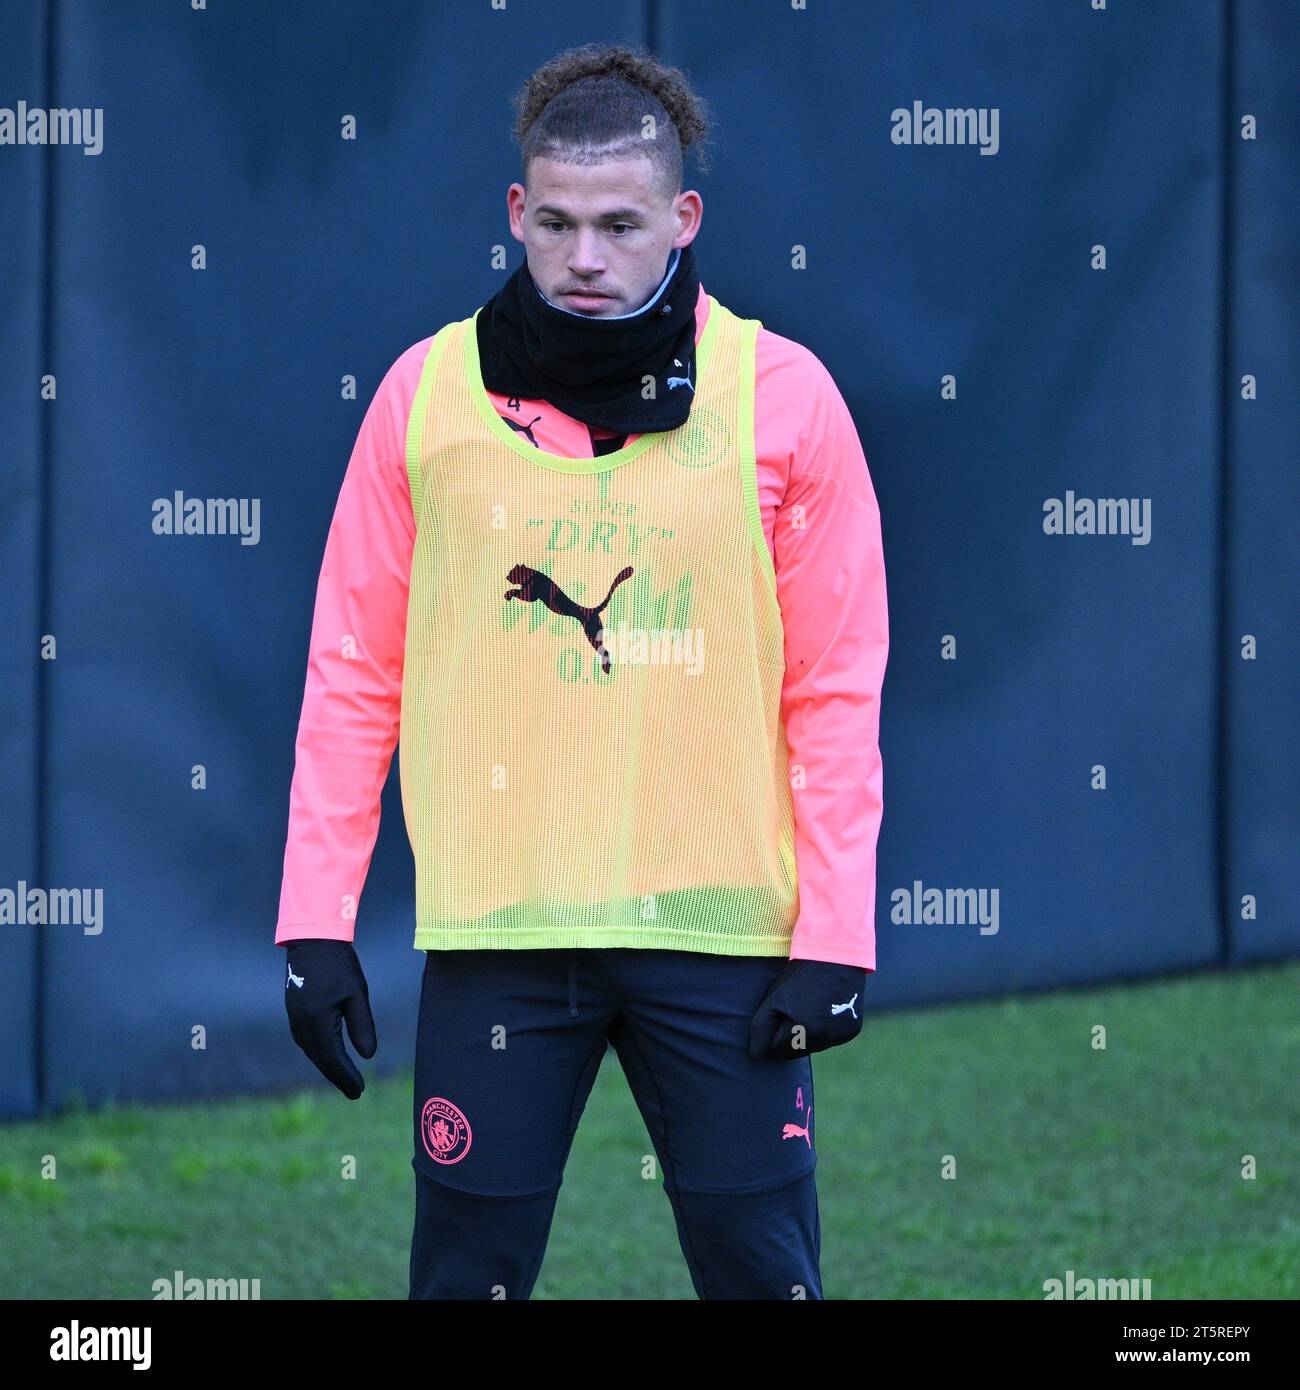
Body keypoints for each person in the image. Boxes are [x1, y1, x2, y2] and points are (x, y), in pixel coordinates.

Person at [276, 41, 888, 1301]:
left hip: (723, 934)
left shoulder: (786, 397)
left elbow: (836, 684)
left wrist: (836, 928)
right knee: (464, 1282)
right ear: (516, 212)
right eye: (554, 222)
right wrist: (312, 916)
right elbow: (352, 669)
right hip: (502, 928)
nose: (586, 258)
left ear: (683, 216)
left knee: (763, 1278)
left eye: (620, 223)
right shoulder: (422, 395)